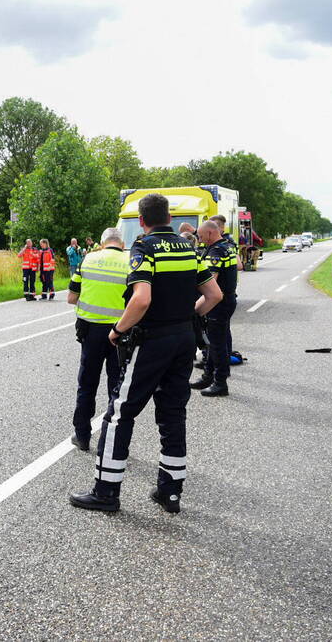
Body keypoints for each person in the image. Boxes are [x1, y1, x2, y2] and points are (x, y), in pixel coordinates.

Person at [69, 194, 222, 514]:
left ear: (142, 220)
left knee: (118, 414)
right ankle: (170, 492)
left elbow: (140, 299)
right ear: (169, 217)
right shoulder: (191, 249)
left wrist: (117, 331)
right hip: (183, 341)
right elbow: (214, 294)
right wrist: (189, 316)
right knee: (173, 414)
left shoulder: (144, 247)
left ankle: (106, 492)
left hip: (152, 340)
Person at [67, 228, 127, 451]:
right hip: (121, 333)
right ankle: (112, 441)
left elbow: (72, 298)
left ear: (102, 244)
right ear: (122, 243)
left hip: (90, 332)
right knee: (117, 387)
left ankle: (82, 436)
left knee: (87, 385)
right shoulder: (132, 261)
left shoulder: (88, 259)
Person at [190, 221, 237, 396]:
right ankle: (208, 376)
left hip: (218, 304)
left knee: (217, 344)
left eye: (201, 236)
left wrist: (196, 308)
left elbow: (211, 283)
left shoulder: (216, 251)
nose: (200, 240)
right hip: (227, 300)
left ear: (210, 233)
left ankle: (220, 383)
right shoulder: (227, 246)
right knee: (213, 342)